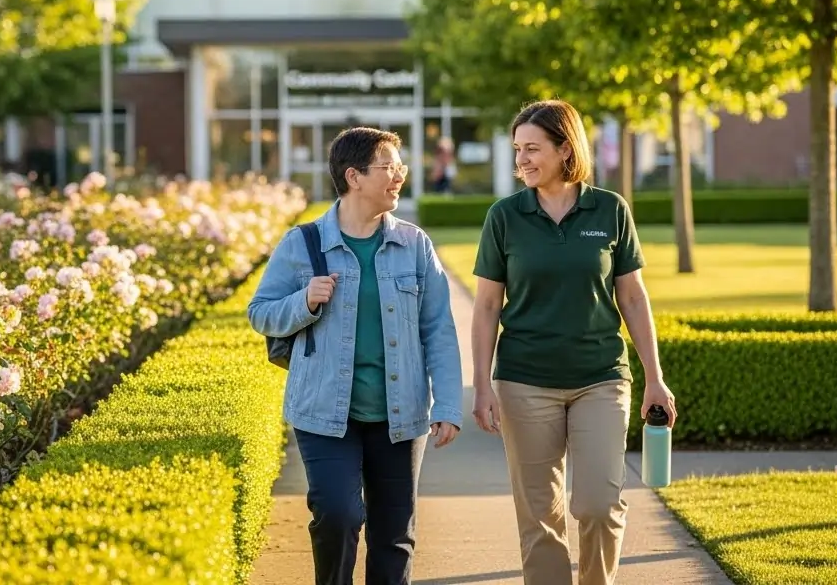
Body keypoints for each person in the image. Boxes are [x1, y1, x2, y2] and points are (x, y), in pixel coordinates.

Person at [469, 100, 676, 585]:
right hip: (524, 381)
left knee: (600, 504)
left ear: (565, 149)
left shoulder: (610, 209)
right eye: (517, 149)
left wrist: (655, 378)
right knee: (540, 516)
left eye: (532, 148)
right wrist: (481, 385)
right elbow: (486, 306)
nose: (521, 159)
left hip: (600, 378)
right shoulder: (505, 216)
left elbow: (632, 296)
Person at [248, 126, 464, 585]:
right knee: (338, 514)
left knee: (394, 534)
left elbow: (438, 330)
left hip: (400, 415)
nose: (399, 176)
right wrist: (303, 301)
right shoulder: (302, 243)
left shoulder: (415, 245)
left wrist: (447, 405)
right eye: (389, 167)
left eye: (400, 167)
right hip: (324, 413)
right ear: (354, 176)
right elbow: (260, 313)